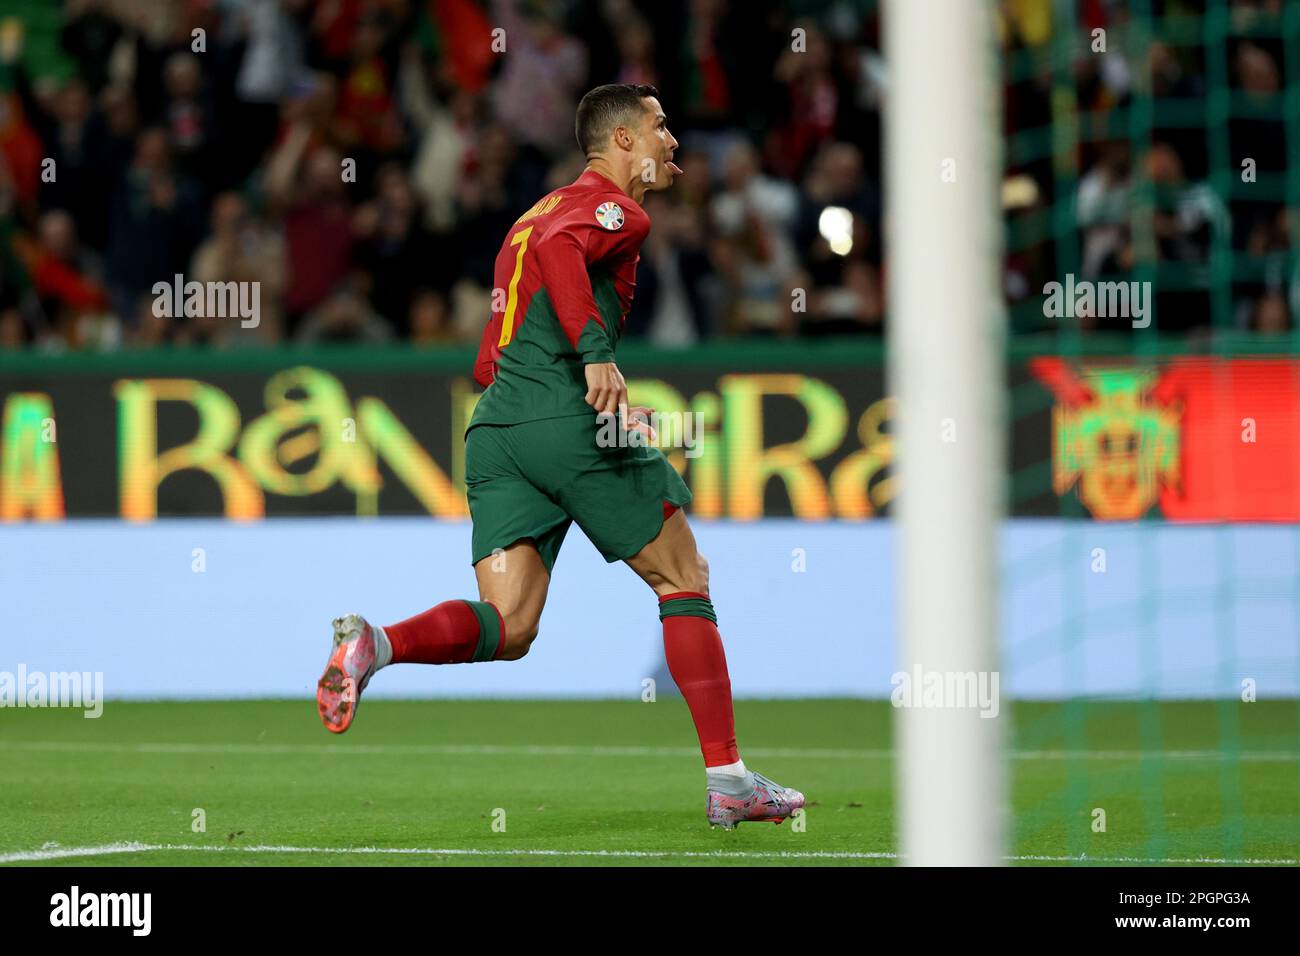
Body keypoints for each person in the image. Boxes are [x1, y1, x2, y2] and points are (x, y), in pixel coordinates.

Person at [316, 84, 804, 830]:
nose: (674, 141)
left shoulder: (530, 214)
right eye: (661, 126)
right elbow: (561, 254)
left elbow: (493, 352)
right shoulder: (614, 211)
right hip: (562, 419)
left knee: (509, 626)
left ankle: (376, 645)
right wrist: (593, 364)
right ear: (622, 142)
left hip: (500, 428)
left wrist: (549, 398)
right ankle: (730, 778)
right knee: (684, 576)